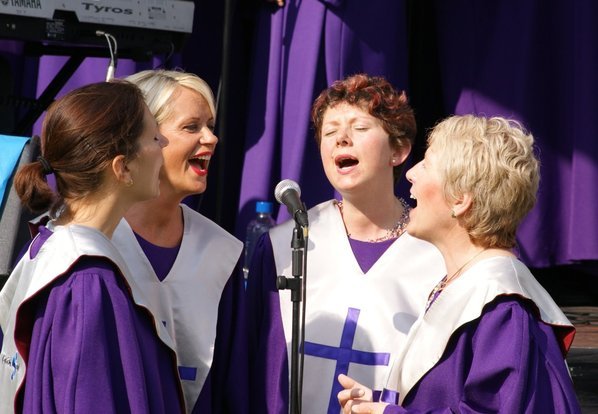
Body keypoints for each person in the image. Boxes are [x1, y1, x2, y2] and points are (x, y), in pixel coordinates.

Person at [338, 115, 581, 413]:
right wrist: (383, 403)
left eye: (427, 164)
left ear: (460, 200)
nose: (411, 173)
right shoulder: (462, 286)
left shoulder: (503, 309)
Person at [245, 73, 445, 413]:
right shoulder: (284, 247)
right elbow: (252, 370)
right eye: (330, 131)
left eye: (359, 128)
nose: (342, 139)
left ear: (398, 150)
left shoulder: (436, 251)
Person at [0, 81, 183, 413]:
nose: (165, 143)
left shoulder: (51, 246)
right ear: (122, 167)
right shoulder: (86, 282)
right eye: (154, 137)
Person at [110, 69, 246, 413]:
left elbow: (233, 390)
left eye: (210, 126)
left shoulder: (221, 254)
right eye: (192, 127)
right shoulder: (82, 241)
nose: (211, 139)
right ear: (142, 138)